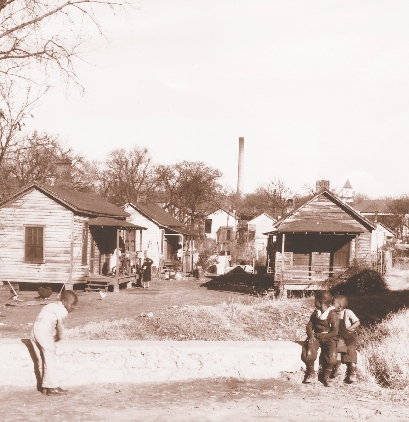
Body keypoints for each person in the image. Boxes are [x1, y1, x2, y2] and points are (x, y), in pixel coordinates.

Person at [30, 290, 78, 396]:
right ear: (64, 302)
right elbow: (59, 325)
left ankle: (44, 386)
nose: (73, 307)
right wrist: (59, 335)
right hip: (43, 332)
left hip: (34, 331)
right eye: (72, 304)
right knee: (50, 357)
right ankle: (51, 387)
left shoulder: (51, 305)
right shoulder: (62, 310)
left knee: (41, 358)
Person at [301, 290, 339, 387]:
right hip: (316, 336)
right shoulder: (316, 313)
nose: (314, 303)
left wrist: (322, 336)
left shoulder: (332, 314)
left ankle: (326, 376)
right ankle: (311, 372)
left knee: (332, 354)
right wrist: (310, 335)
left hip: (329, 337)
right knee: (309, 349)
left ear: (320, 302)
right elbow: (309, 325)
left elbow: (335, 332)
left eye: (315, 301)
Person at [332, 295, 360, 383]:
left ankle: (352, 370)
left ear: (339, 306)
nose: (331, 305)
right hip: (338, 335)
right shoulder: (332, 313)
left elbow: (357, 322)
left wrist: (349, 328)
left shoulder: (347, 312)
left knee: (351, 346)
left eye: (333, 304)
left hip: (348, 334)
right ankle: (337, 366)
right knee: (338, 345)